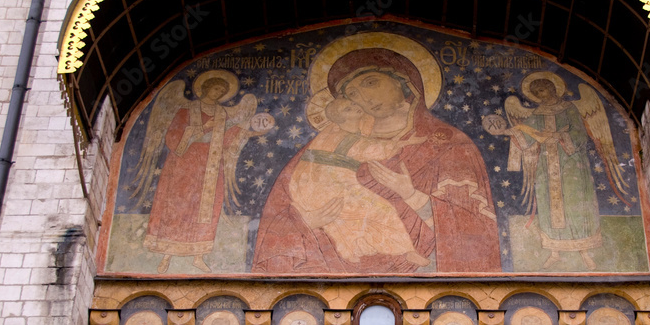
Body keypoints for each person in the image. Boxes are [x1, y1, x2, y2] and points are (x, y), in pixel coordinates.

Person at [253, 37, 501, 274]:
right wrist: (305, 222)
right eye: (351, 95)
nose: (364, 98)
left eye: (370, 82)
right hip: (326, 270)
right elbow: (279, 215)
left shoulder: (446, 144)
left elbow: (476, 231)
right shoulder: (321, 148)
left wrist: (412, 195)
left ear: (402, 81)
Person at [133, 70, 274, 274]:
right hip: (183, 164)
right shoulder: (186, 109)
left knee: (206, 209)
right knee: (177, 205)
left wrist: (252, 132)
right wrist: (201, 129)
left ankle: (198, 257)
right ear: (206, 88)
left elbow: (228, 136)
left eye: (222, 91)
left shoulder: (221, 113)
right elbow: (172, 137)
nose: (218, 93)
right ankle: (166, 256)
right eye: (216, 88)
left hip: (210, 164)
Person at [485, 73, 629, 270]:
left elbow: (580, 134)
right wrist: (510, 133)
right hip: (546, 167)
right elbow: (529, 140)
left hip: (572, 166)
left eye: (543, 90)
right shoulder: (537, 114)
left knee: (576, 204)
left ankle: (585, 253)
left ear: (553, 88)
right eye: (537, 93)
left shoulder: (570, 109)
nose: (542, 95)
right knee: (548, 205)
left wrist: (562, 138)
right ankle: (554, 253)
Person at [288, 95, 430, 266]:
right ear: (340, 118)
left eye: (354, 103)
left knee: (344, 220)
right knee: (383, 211)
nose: (355, 107)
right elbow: (371, 149)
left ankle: (351, 251)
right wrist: (403, 143)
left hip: (311, 187)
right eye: (348, 108)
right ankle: (406, 251)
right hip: (329, 184)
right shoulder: (344, 137)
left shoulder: (333, 132)